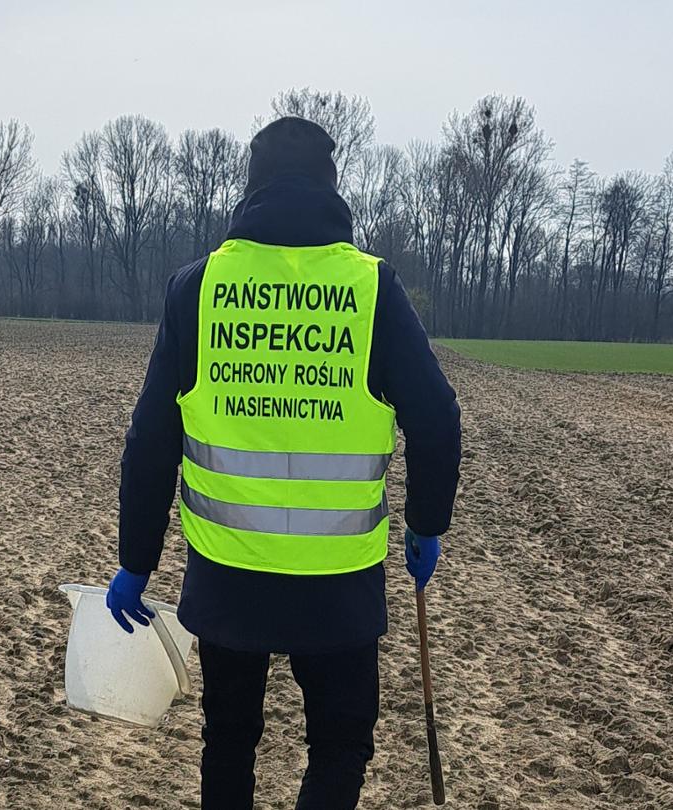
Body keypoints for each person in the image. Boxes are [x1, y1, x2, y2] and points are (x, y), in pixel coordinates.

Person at [108, 116, 463, 810]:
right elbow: (437, 418)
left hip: (228, 574)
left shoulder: (197, 288)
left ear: (251, 186)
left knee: (229, 740)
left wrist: (135, 561)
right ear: (331, 186)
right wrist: (426, 525)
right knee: (339, 745)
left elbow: (151, 438)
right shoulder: (372, 289)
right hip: (338, 583)